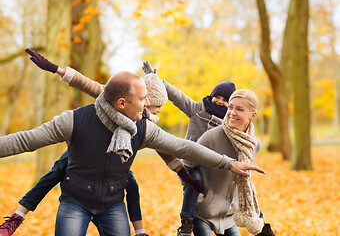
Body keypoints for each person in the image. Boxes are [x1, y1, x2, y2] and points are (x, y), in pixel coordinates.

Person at [0, 62, 265, 235]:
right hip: (75, 201)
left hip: (113, 204)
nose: (148, 105)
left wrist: (228, 163)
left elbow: (184, 147)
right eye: (143, 99)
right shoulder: (74, 120)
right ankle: (19, 214)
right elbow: (25, 140)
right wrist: (61, 71)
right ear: (122, 103)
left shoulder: (143, 128)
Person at [141, 62, 274, 236]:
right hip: (192, 165)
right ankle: (186, 221)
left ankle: (260, 223)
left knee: (244, 180)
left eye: (225, 101)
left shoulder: (244, 139)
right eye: (216, 98)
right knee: (194, 177)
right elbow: (177, 96)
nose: (219, 102)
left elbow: (239, 180)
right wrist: (157, 81)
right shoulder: (199, 112)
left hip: (223, 198)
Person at [183, 89, 275, 236]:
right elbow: (186, 166)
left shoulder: (254, 144)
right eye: (230, 107)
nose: (232, 113)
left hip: (228, 216)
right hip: (203, 214)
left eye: (239, 109)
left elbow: (242, 181)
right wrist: (200, 197)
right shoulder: (211, 137)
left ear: (253, 115)